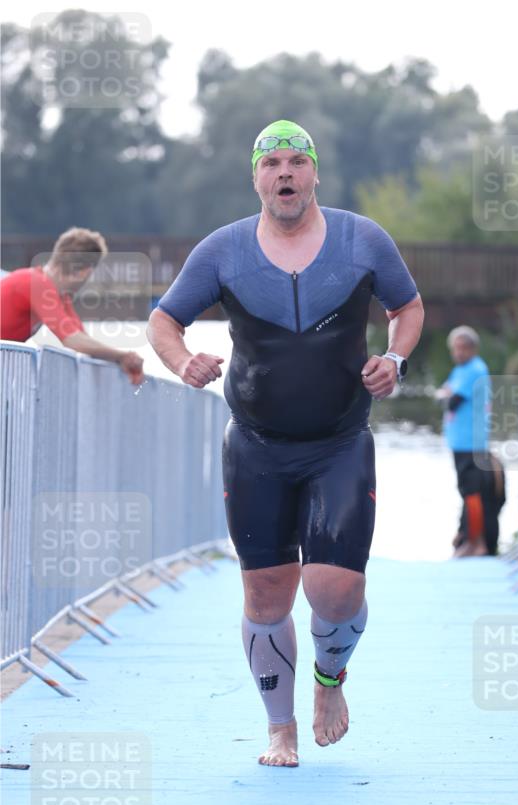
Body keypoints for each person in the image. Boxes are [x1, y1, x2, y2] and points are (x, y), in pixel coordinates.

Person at [146, 119, 424, 767]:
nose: (285, 173)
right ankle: (280, 728)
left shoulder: (361, 240)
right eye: (271, 164)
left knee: (335, 591)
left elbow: (406, 307)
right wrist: (182, 361)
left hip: (339, 443)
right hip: (256, 446)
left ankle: (330, 679)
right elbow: (163, 320)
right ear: (256, 179)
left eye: (296, 161)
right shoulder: (223, 251)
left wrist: (396, 359)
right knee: (267, 593)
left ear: (314, 173)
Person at [1, 227, 144, 385]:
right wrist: (123, 356)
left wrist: (119, 359)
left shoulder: (59, 295)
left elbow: (83, 340)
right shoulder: (37, 284)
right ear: (85, 272)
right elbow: (73, 340)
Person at [436, 325, 504, 557]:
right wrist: (444, 396)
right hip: (459, 443)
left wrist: (445, 396)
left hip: (471, 444)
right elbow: (442, 396)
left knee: (474, 493)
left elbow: (450, 401)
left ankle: (476, 542)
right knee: (467, 493)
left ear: (474, 348)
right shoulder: (460, 370)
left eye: (464, 348)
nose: (459, 352)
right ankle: (468, 537)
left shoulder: (475, 369)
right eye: (455, 348)